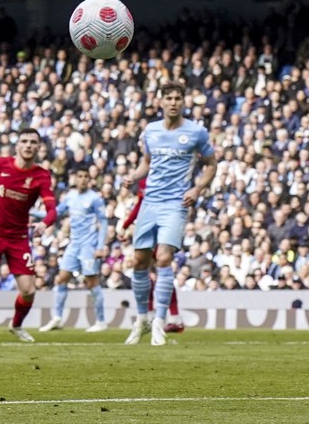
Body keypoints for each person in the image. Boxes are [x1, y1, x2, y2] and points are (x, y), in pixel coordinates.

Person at [121, 83, 217, 346]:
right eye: (168, 98)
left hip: (176, 204)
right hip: (150, 202)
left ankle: (160, 323)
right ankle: (143, 319)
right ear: (160, 102)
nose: (173, 102)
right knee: (139, 261)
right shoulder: (150, 131)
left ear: (183, 102)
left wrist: (197, 188)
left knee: (163, 258)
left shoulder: (196, 132)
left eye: (177, 98)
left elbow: (211, 165)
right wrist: (133, 176)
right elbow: (147, 163)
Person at [0, 128, 56, 343]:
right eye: (24, 141)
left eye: (33, 142)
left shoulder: (41, 176)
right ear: (18, 145)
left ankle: (16, 325)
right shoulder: (1, 164)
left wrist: (44, 223)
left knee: (29, 291)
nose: (28, 145)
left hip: (17, 237)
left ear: (38, 147)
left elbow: (52, 208)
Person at [38, 168, 109, 333]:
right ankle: (57, 318)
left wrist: (99, 247)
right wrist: (31, 213)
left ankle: (101, 321)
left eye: (86, 176)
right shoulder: (70, 196)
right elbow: (55, 213)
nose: (83, 179)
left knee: (92, 283)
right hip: (73, 245)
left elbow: (104, 222)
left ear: (89, 180)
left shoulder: (95, 199)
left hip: (88, 247)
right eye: (80, 176)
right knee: (61, 279)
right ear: (75, 179)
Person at [121, 180, 185, 333]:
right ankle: (169, 317)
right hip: (156, 226)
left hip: (160, 227)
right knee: (155, 273)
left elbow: (141, 206)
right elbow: (141, 205)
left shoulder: (154, 176)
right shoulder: (147, 176)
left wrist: (126, 224)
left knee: (157, 271)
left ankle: (157, 316)